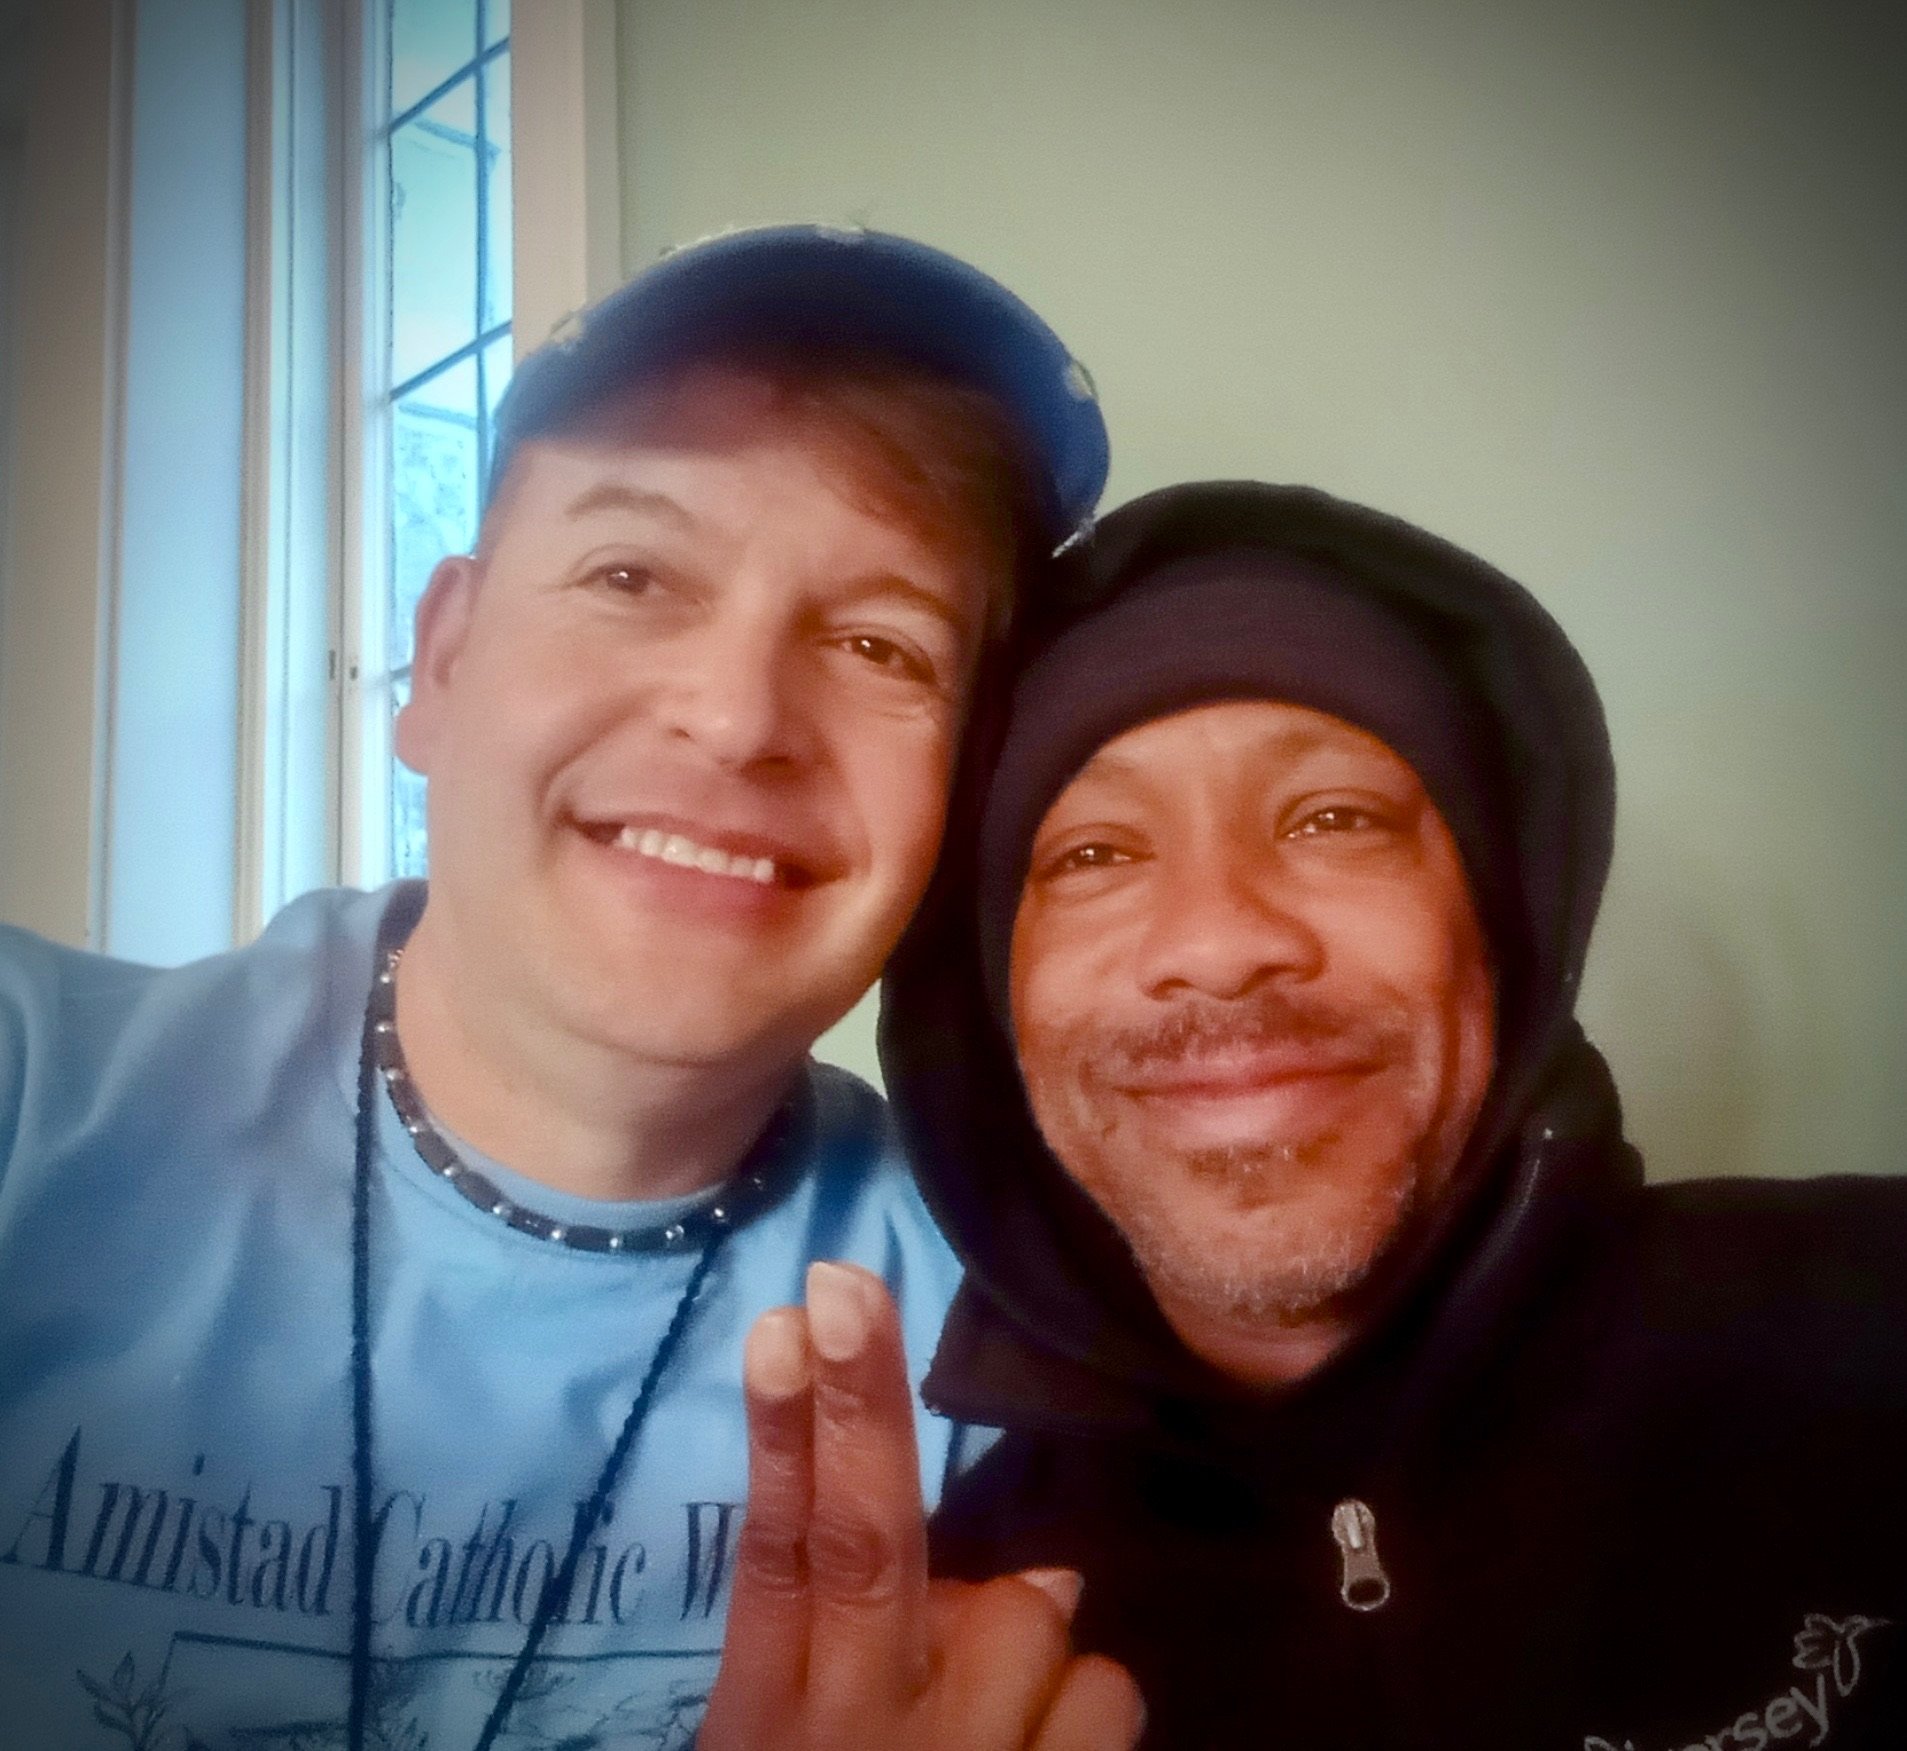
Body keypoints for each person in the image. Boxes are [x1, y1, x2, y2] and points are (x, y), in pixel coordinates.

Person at [0, 225, 1114, 1750]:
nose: (737, 716)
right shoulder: (29, 1101)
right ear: (443, 659)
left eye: (879, 643)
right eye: (630, 573)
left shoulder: (1010, 1315)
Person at [880, 480, 1907, 1750]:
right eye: (1093, 852)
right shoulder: (956, 1644)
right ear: (997, 1010)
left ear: (1500, 932)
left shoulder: (1870, 1327)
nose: (1216, 941)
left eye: (1333, 819)